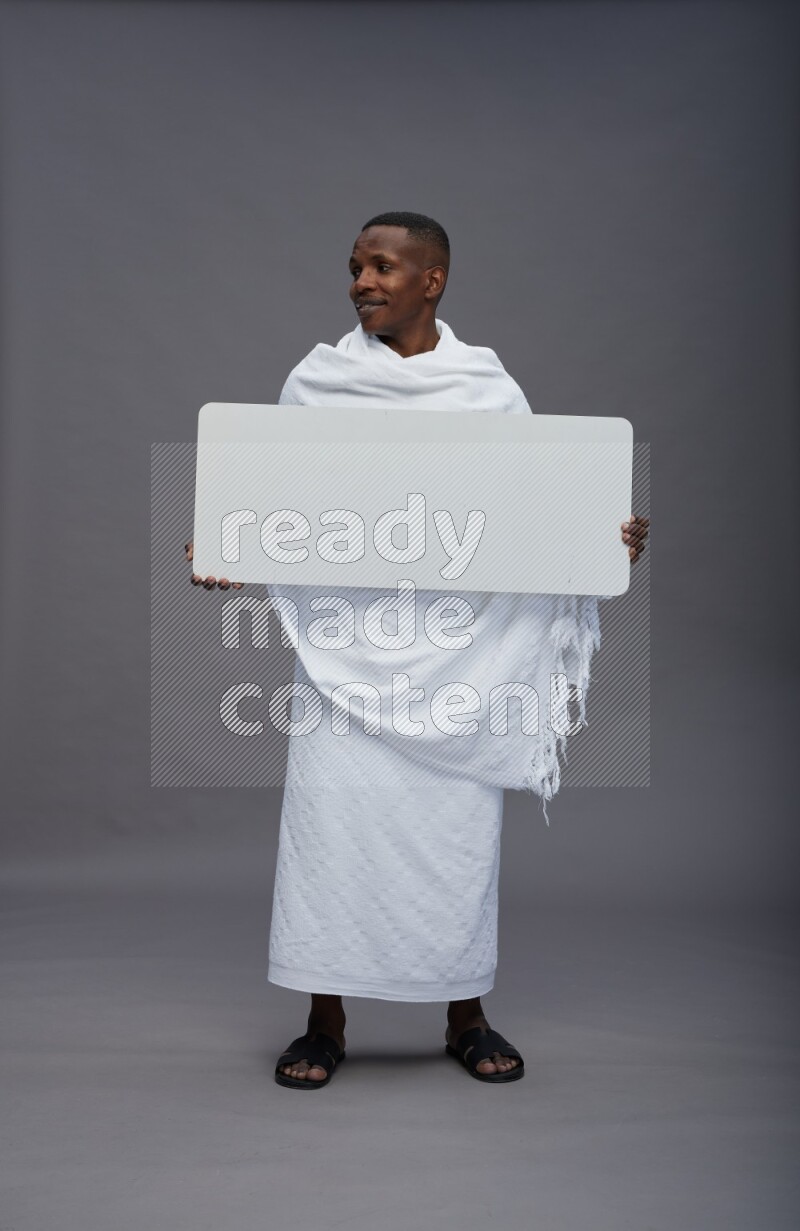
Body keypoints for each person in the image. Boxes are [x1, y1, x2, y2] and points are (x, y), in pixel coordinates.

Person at [185, 212, 649, 1088]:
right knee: (332, 829)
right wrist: (229, 547)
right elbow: (282, 504)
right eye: (356, 266)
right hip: (343, 647)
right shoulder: (315, 383)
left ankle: (463, 1012)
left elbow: (526, 512)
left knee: (454, 833)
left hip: (458, 655)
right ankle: (324, 1024)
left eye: (384, 267)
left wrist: (601, 542)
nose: (362, 281)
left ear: (431, 281)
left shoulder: (488, 389)